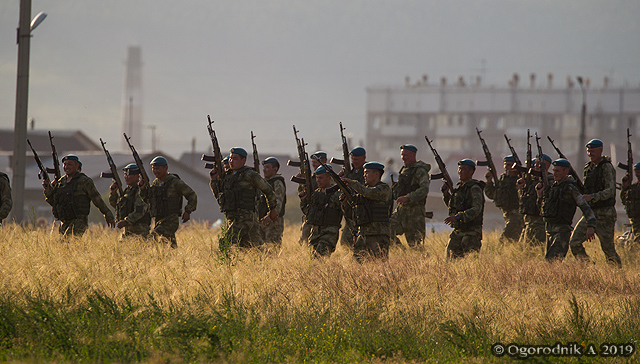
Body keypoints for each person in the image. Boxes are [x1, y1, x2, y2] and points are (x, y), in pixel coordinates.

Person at [210, 147, 278, 249]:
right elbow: (220, 197)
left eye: (235, 158)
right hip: (232, 217)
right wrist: (214, 181)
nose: (232, 161)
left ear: (243, 160)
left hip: (245, 217)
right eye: (231, 158)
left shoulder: (250, 175)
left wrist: (272, 209)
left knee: (225, 242)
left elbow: (268, 190)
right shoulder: (227, 176)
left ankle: (224, 265)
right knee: (248, 248)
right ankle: (266, 262)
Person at [569, 139, 621, 267]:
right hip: (590, 213)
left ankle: (617, 274)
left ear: (601, 150)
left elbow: (610, 191)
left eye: (593, 151)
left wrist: (592, 197)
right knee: (574, 242)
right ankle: (589, 267)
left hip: (605, 214)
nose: (590, 154)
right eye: (588, 151)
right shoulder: (588, 168)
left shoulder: (606, 167)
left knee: (608, 250)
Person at [537, 158, 597, 262]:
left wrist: (591, 225)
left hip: (562, 231)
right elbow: (543, 209)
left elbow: (585, 207)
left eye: (557, 171)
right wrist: (540, 195)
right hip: (549, 231)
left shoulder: (570, 189)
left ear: (566, 171)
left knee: (552, 262)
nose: (554, 173)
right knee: (550, 263)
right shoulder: (552, 187)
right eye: (554, 170)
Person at [43, 155, 115, 235]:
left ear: (77, 166)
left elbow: (97, 199)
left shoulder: (84, 181)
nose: (66, 167)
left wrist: (107, 214)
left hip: (78, 221)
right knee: (59, 245)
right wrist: (48, 190)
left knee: (68, 241)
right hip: (64, 221)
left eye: (69, 164)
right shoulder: (61, 182)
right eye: (65, 164)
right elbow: (54, 203)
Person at [140, 156, 197, 248]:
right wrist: (142, 190)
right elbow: (149, 201)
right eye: (153, 168)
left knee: (152, 239)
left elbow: (192, 195)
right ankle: (175, 260)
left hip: (170, 220)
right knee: (169, 246)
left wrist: (188, 211)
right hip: (159, 220)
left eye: (157, 168)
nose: (155, 171)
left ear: (165, 168)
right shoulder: (155, 183)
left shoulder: (175, 182)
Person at [342, 161, 393, 261]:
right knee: (357, 266)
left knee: (378, 267)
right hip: (363, 236)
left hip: (378, 235)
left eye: (367, 173)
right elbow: (352, 215)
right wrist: (345, 203)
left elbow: (369, 193)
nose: (364, 175)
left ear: (376, 174)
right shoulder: (363, 193)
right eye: (364, 173)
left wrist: (353, 183)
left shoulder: (384, 189)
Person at [442, 159, 485, 259]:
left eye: (464, 169)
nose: (460, 172)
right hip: (458, 231)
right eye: (459, 169)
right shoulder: (460, 189)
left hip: (471, 233)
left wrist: (458, 217)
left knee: (471, 263)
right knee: (450, 261)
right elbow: (453, 206)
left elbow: (476, 209)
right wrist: (446, 194)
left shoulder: (475, 188)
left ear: (471, 172)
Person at [390, 144, 431, 247]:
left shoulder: (420, 171)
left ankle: (419, 261)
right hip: (401, 211)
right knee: (386, 230)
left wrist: (408, 197)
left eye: (406, 155)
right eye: (402, 155)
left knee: (416, 246)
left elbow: (424, 189)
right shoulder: (404, 170)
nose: (403, 157)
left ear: (413, 155)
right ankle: (401, 252)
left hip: (415, 213)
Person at [301, 165, 343, 257]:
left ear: (329, 178)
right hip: (314, 235)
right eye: (317, 178)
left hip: (329, 234)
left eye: (321, 178)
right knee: (314, 262)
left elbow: (347, 213)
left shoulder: (337, 195)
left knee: (319, 259)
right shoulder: (315, 194)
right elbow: (308, 213)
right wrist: (304, 200)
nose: (318, 180)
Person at [484, 155, 524, 243]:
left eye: (510, 165)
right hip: (507, 215)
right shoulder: (503, 179)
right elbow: (492, 195)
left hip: (517, 216)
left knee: (504, 241)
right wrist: (489, 182)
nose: (507, 167)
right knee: (514, 241)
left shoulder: (520, 180)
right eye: (505, 165)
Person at [516, 154, 552, 247]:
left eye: (538, 164)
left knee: (536, 248)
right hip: (528, 222)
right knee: (523, 250)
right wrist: (521, 189)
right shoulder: (532, 181)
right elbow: (524, 200)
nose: (535, 166)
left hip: (540, 223)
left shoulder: (549, 181)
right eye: (535, 164)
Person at [108, 163, 151, 239]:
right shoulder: (128, 191)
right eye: (125, 174)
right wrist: (113, 193)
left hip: (140, 232)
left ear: (137, 176)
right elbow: (118, 206)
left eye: (129, 174)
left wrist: (125, 222)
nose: (126, 177)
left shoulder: (140, 191)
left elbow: (139, 211)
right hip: (127, 231)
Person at [338, 146, 366, 249]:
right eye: (352, 159)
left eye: (356, 159)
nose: (354, 161)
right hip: (349, 210)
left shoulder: (367, 172)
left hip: (361, 210)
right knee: (345, 242)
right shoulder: (350, 172)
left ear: (363, 157)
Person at [298, 151, 325, 245]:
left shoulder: (327, 178)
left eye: (315, 162)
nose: (313, 164)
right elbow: (303, 192)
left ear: (323, 162)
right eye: (312, 162)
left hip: (320, 215)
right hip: (309, 212)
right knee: (303, 241)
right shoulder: (311, 178)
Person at [258, 157, 286, 245]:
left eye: (267, 167)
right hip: (262, 219)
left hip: (274, 221)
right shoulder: (265, 183)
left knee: (272, 248)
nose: (264, 170)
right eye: (264, 167)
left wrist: (270, 216)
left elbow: (278, 201)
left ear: (275, 169)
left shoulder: (277, 182)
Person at [621, 162, 640, 245]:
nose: (638, 174)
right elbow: (624, 200)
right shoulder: (634, 187)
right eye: (636, 172)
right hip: (635, 221)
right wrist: (625, 187)